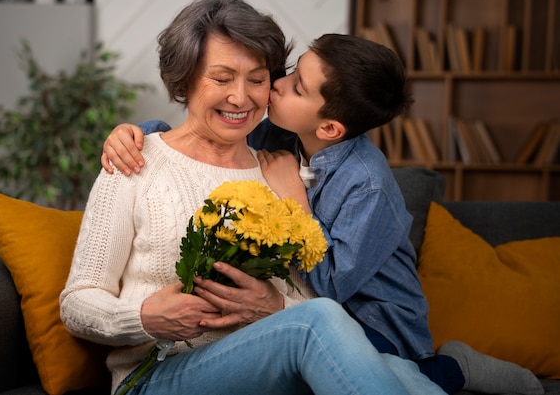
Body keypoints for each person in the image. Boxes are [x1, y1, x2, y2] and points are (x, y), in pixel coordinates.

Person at [102, 33, 544, 395]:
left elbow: (331, 283)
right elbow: (204, 132)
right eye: (293, 71)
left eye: (296, 87)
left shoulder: (367, 184)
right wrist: (141, 134)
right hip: (308, 318)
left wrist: (294, 199)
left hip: (374, 323)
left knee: (391, 373)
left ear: (329, 128)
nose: (276, 83)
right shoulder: (283, 130)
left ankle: (451, 368)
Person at [60, 0, 446, 395]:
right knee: (323, 323)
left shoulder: (285, 174)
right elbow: (77, 304)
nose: (241, 98)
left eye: (258, 80)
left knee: (409, 380)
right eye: (222, 78)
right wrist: (143, 318)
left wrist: (274, 308)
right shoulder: (133, 160)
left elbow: (310, 296)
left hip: (271, 369)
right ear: (185, 78)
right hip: (159, 374)